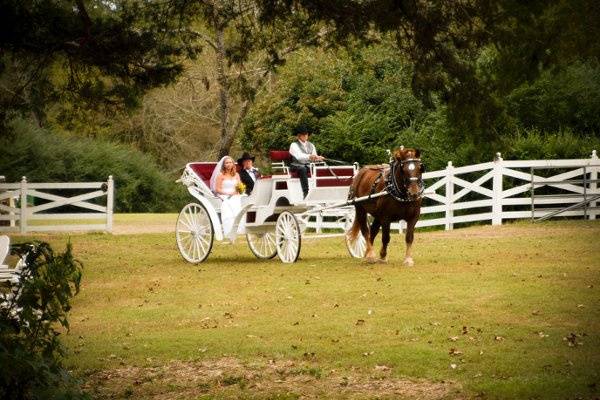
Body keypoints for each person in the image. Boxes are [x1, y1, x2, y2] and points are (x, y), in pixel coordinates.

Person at [209, 156, 245, 238]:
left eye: (230, 162)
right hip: (224, 194)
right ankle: (231, 228)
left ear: (233, 164)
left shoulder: (237, 175)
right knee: (231, 202)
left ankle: (243, 226)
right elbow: (217, 189)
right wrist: (228, 193)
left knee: (244, 200)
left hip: (236, 194)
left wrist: (238, 191)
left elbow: (239, 186)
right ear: (224, 165)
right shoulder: (220, 175)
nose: (229, 164)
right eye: (226, 163)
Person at [289, 125, 324, 198]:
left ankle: (320, 190)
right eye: (303, 134)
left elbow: (314, 156)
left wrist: (318, 158)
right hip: (296, 165)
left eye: (306, 134)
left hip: (308, 165)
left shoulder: (311, 145)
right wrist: (310, 156)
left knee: (319, 168)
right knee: (302, 169)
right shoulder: (294, 145)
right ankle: (306, 193)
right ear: (299, 136)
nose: (305, 136)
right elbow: (299, 156)